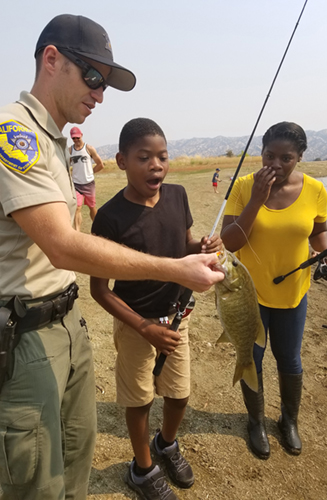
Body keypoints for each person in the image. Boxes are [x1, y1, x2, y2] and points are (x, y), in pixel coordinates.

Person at [0, 15, 224, 500]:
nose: (100, 94)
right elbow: (63, 244)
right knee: (36, 482)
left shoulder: (54, 140)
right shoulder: (10, 131)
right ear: (52, 59)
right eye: (93, 76)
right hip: (21, 337)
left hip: (66, 324)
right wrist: (175, 268)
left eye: (105, 84)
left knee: (75, 461)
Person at [90, 118, 223, 500]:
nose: (156, 165)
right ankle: (142, 468)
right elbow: (100, 290)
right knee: (140, 399)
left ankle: (167, 444)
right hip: (137, 327)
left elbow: (182, 245)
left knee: (179, 394)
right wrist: (143, 327)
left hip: (177, 320)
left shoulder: (178, 195)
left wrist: (201, 247)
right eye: (144, 157)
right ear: (121, 161)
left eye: (162, 156)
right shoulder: (110, 217)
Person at [221, 122, 327, 460]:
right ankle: (256, 422)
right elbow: (229, 241)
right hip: (248, 294)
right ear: (261, 153)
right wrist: (256, 201)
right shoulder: (245, 187)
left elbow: (319, 232)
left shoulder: (316, 189)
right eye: (268, 155)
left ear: (300, 157)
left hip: (293, 292)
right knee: (252, 356)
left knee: (289, 357)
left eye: (285, 158)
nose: (274, 164)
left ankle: (289, 420)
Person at [69, 126, 104, 231]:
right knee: (77, 208)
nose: (76, 140)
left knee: (92, 208)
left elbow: (100, 164)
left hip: (89, 183)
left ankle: (98, 229)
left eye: (77, 138)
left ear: (81, 135)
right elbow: (65, 165)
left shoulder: (89, 148)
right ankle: (77, 233)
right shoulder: (70, 150)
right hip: (76, 184)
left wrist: (90, 172)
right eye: (73, 138)